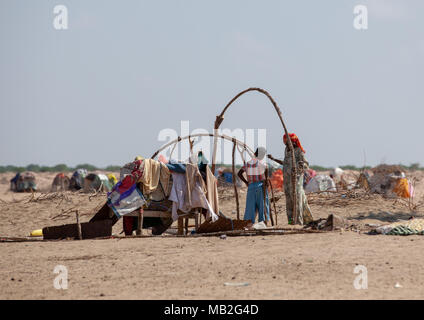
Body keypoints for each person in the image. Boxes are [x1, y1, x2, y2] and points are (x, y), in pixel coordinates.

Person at [268, 133, 313, 225]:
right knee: (289, 204)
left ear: (292, 142)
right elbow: (285, 163)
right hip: (287, 183)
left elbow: (305, 165)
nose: (286, 144)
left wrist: (297, 168)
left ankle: (299, 222)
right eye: (285, 143)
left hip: (296, 182)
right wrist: (273, 159)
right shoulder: (287, 151)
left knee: (298, 203)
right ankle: (290, 222)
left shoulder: (298, 151)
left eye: (288, 142)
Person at [237, 147, 270, 225]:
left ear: (255, 154)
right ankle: (263, 223)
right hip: (261, 186)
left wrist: (246, 182)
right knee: (263, 206)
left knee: (250, 207)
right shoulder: (264, 164)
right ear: (262, 156)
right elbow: (266, 180)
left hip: (251, 187)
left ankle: (249, 224)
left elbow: (239, 173)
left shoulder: (247, 164)